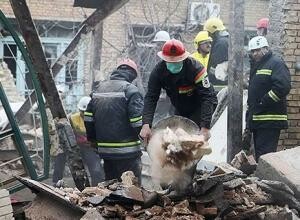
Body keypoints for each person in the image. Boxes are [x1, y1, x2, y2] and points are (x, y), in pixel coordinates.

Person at [140, 39, 218, 144]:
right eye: (170, 62)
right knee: (175, 136)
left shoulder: (196, 69)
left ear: (184, 58)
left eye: (177, 62)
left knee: (190, 138)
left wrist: (205, 127)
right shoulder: (158, 72)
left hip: (200, 105)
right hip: (180, 104)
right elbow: (151, 97)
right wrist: (146, 124)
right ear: (164, 59)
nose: (173, 64)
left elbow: (207, 98)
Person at [84, 59, 144, 183]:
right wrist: (145, 139)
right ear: (133, 74)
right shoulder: (131, 90)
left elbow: (88, 118)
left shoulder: (98, 89)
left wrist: (93, 140)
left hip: (106, 152)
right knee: (131, 189)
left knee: (111, 188)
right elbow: (137, 122)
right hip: (128, 153)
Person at [244, 36, 291, 161]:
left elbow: (282, 87)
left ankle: (265, 179)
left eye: (257, 50)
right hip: (259, 118)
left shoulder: (276, 63)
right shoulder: (258, 66)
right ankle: (261, 179)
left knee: (265, 157)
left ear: (266, 48)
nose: (255, 54)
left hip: (270, 119)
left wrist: (263, 101)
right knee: (260, 155)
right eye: (252, 51)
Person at [52, 96, 104, 186]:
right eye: (82, 112)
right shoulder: (73, 118)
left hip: (88, 147)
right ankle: (56, 182)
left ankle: (97, 187)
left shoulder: (97, 119)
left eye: (85, 112)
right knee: (60, 156)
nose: (83, 114)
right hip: (75, 146)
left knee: (96, 169)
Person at [203, 17, 229, 88]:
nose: (208, 35)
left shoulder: (221, 44)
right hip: (220, 83)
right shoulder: (225, 41)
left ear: (214, 32)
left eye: (209, 33)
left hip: (218, 84)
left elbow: (216, 64)